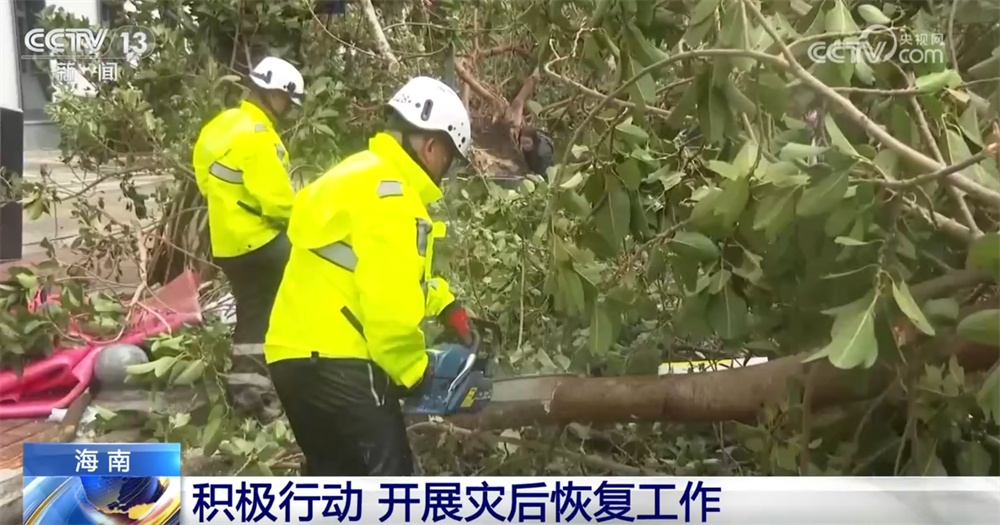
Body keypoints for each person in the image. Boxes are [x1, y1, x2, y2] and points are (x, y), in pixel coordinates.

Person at [263, 76, 477, 476]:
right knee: (388, 483)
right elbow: (389, 303)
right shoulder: (395, 197)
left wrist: (446, 305)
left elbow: (370, 266)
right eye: (448, 159)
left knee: (333, 480)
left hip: (290, 355)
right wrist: (416, 372)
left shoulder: (359, 173)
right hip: (341, 361)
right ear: (432, 146)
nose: (445, 172)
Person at [192, 56, 305, 419]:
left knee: (252, 315)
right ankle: (260, 395)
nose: (287, 110)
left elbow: (205, 181)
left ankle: (248, 394)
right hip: (261, 242)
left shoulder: (220, 126)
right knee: (287, 308)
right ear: (273, 94)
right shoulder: (259, 136)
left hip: (227, 242)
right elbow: (278, 203)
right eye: (288, 101)